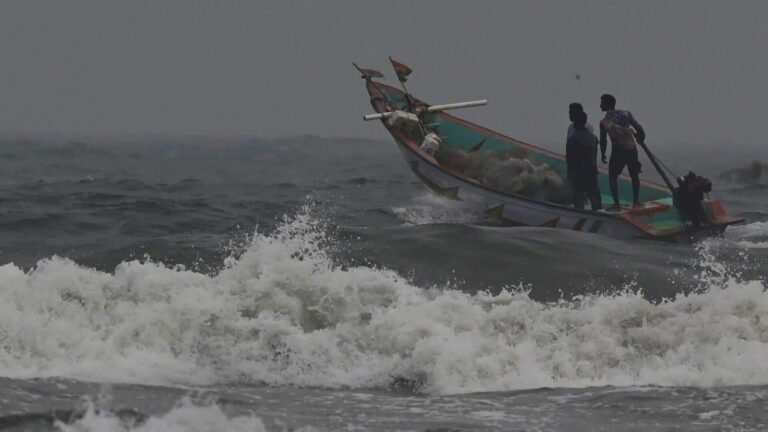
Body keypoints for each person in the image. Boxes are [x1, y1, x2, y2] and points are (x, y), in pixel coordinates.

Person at [599, 94, 645, 210]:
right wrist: (640, 139)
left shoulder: (604, 122)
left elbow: (603, 141)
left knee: (612, 176)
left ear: (608, 104)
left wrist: (603, 154)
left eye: (602, 102)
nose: (600, 105)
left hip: (618, 150)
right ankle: (636, 201)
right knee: (634, 175)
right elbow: (639, 129)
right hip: (631, 149)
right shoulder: (626, 114)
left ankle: (616, 204)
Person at [566, 111, 602, 210]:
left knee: (579, 198)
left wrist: (570, 175)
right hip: (591, 172)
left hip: (579, 173)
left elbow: (570, 158)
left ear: (575, 123)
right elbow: (594, 155)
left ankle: (580, 217)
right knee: (595, 198)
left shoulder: (573, 139)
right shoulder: (593, 138)